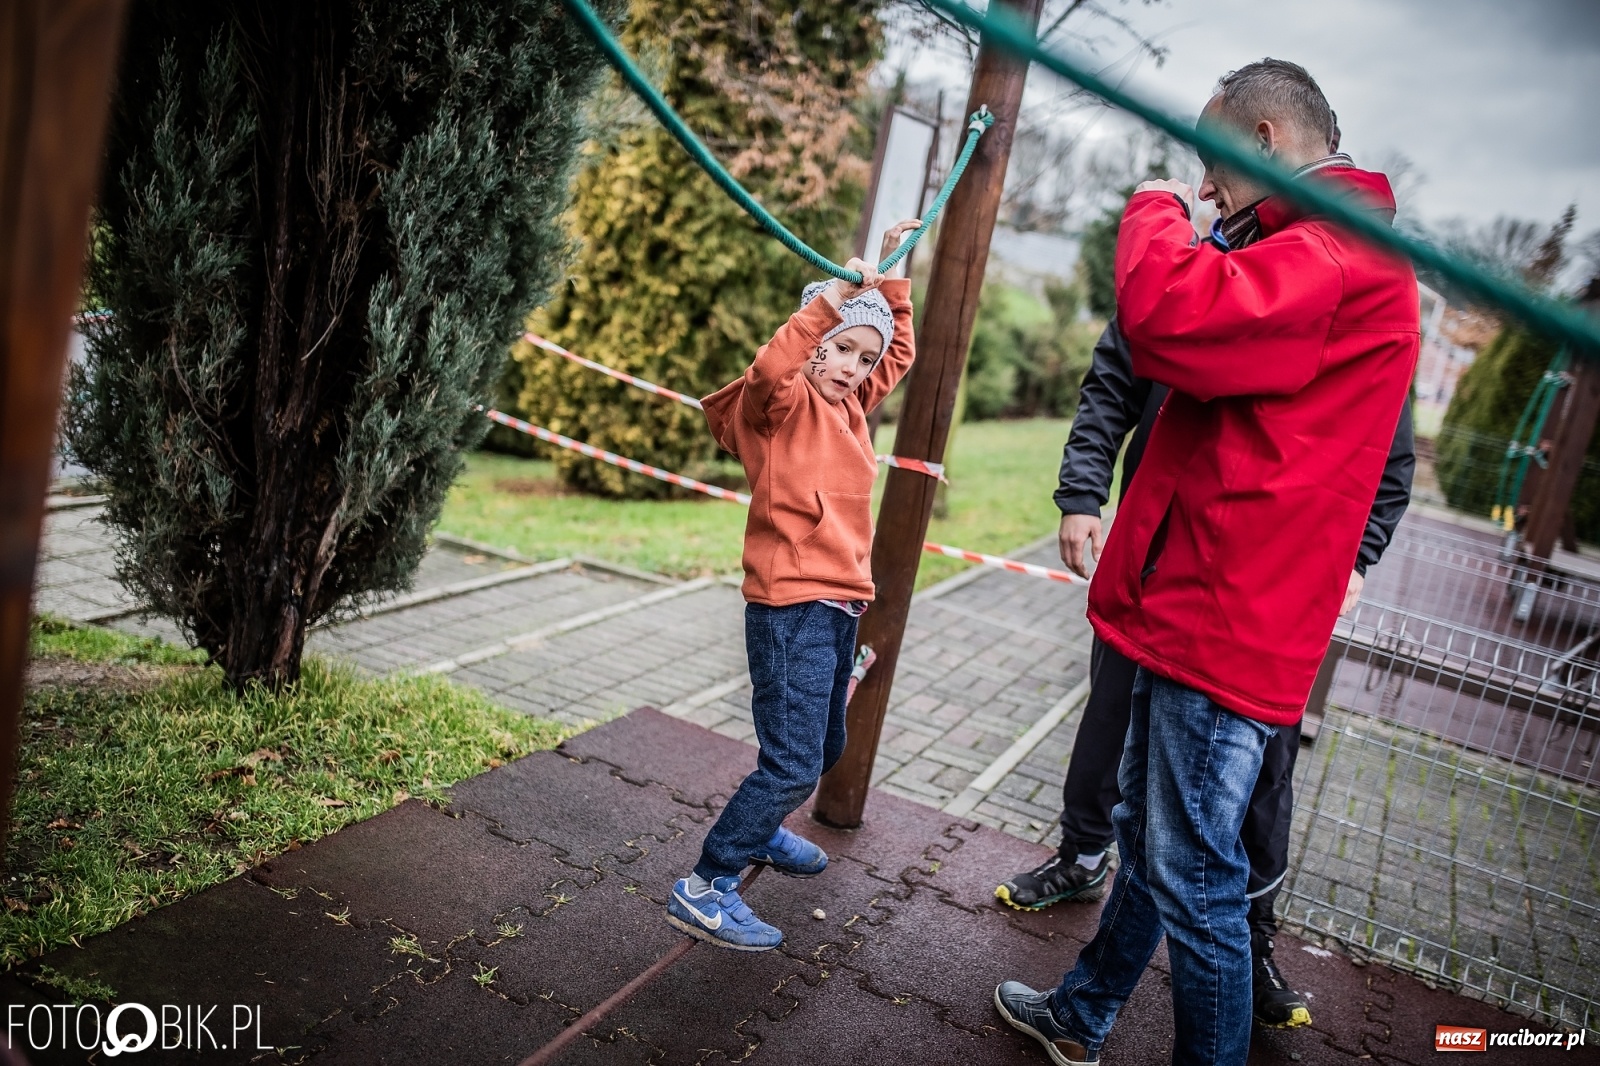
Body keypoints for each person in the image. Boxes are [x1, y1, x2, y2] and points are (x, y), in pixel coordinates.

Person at [993, 60, 1419, 1065]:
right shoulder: (1314, 244)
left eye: (1210, 163)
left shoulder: (1337, 251)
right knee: (1154, 837)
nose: (1205, 186)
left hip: (1228, 612)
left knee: (1193, 873)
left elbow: (1167, 314)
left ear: (1262, 139)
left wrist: (1151, 203)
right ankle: (1085, 1012)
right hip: (1207, 597)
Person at [664, 220, 921, 951]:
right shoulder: (778, 407)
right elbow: (772, 367)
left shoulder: (847, 407)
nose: (850, 366)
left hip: (836, 604)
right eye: (839, 349)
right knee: (793, 762)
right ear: (815, 342)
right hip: (790, 607)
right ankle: (706, 882)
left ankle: (763, 830)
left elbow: (896, 353)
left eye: (859, 356)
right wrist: (836, 297)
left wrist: (895, 280)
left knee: (826, 741)